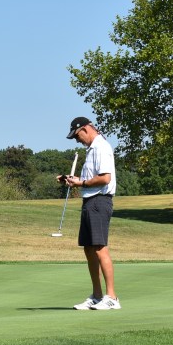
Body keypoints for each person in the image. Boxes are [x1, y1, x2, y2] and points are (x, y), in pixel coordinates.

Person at [59, 117, 121, 310]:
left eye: (77, 136)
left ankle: (111, 298)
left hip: (99, 201)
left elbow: (104, 178)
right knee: (88, 248)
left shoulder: (101, 147)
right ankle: (96, 295)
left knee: (100, 248)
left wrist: (81, 183)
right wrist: (74, 180)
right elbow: (90, 178)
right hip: (89, 201)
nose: (77, 140)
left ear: (85, 129)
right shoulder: (92, 149)